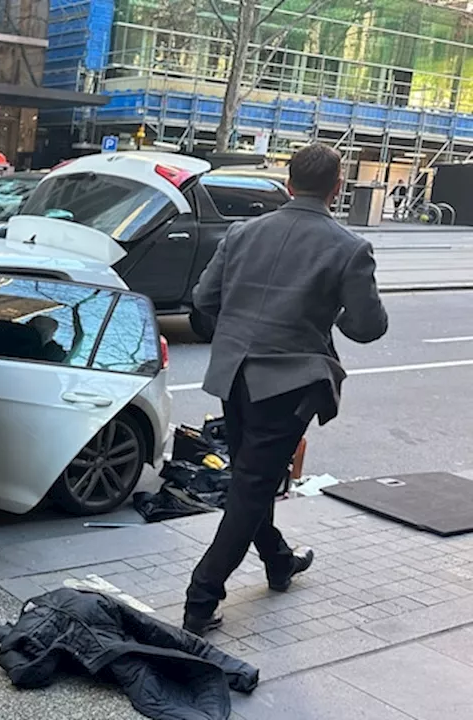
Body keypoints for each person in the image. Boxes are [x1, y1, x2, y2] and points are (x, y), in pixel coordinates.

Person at [182, 142, 388, 636]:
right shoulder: (348, 247)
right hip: (288, 384)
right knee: (252, 487)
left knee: (254, 479)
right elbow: (369, 326)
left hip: (233, 376)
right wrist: (328, 313)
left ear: (288, 183)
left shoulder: (242, 232)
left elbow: (204, 299)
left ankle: (278, 561)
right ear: (337, 189)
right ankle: (200, 596)